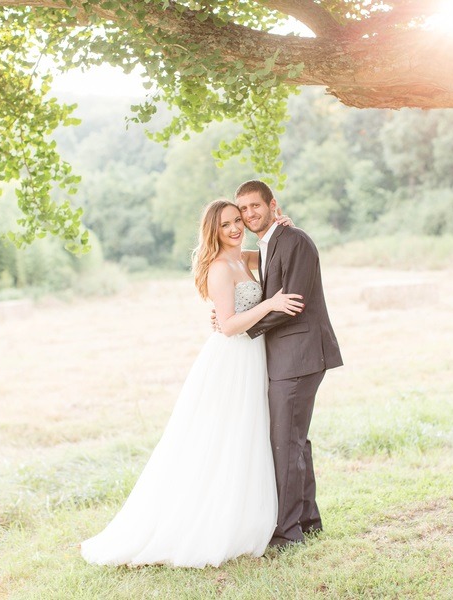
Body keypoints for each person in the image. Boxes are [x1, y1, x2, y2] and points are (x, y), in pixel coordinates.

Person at [80, 199, 302, 568]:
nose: (234, 228)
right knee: (219, 437)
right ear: (212, 231)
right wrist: (270, 304)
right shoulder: (218, 267)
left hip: (253, 357)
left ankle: (246, 513)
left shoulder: (244, 258)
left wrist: (280, 227)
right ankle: (205, 521)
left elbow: (268, 253)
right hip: (232, 359)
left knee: (246, 436)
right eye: (225, 225)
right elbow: (229, 324)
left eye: (237, 221)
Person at [234, 179, 343, 549]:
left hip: (299, 355)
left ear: (272, 204)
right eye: (243, 209)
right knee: (294, 440)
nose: (249, 214)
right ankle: (308, 522)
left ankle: (286, 535)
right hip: (286, 355)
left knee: (286, 441)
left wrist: (240, 330)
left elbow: (291, 303)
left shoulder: (293, 240)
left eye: (255, 206)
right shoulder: (268, 244)